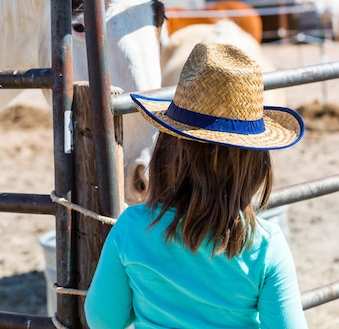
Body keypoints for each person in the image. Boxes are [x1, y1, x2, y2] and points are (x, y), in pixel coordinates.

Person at [84, 42, 308, 329]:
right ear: (254, 166)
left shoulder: (132, 227)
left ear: (167, 149)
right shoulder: (265, 244)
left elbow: (103, 320)